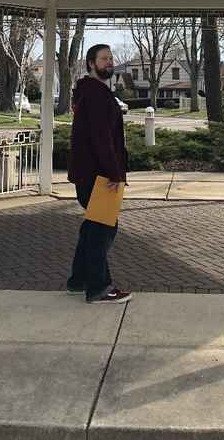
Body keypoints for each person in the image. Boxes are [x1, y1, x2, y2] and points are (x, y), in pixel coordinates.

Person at [66, 43, 131, 304]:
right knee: (102, 231)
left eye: (111, 58)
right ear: (91, 64)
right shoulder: (95, 94)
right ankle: (99, 287)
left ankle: (79, 280)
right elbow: (101, 138)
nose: (110, 62)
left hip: (90, 174)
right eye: (104, 59)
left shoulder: (92, 91)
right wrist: (114, 173)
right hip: (99, 176)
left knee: (93, 228)